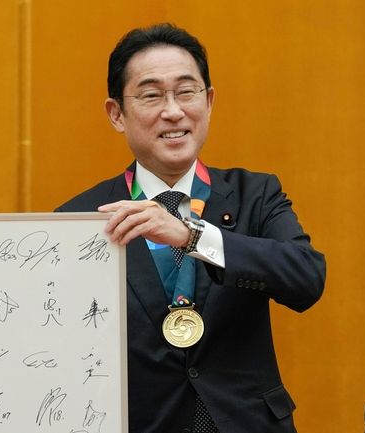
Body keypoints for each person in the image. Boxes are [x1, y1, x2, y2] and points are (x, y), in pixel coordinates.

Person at [56, 23, 325, 432]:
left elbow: (306, 277)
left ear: (209, 101)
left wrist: (192, 236)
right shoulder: (81, 219)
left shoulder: (256, 194)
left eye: (186, 91)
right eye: (151, 95)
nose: (173, 110)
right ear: (116, 115)